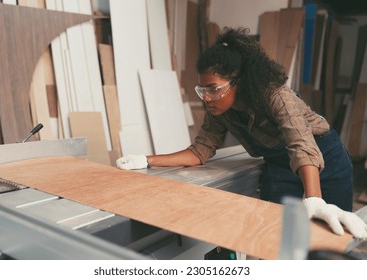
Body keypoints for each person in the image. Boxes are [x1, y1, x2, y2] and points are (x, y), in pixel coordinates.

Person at [116, 27, 367, 239]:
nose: (206, 98)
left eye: (213, 89)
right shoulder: (219, 109)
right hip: (280, 164)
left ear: (238, 81)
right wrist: (146, 160)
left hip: (324, 154)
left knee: (331, 235)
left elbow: (301, 144)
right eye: (201, 90)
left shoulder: (276, 95)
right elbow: (199, 151)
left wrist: (313, 198)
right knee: (273, 234)